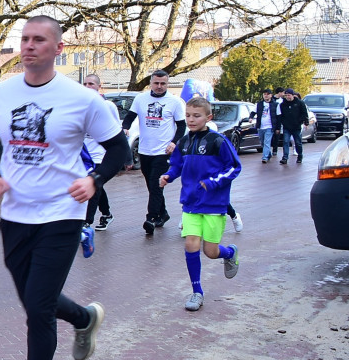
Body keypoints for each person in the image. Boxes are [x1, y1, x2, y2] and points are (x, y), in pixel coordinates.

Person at [0, 16, 128, 360]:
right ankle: (83, 318)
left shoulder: (82, 99)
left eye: (39, 39)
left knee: (37, 308)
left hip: (62, 214)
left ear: (58, 48)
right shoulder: (0, 94)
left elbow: (119, 149)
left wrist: (94, 180)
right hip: (15, 217)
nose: (29, 46)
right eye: (24, 39)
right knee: (35, 300)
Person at [159, 97, 241, 312]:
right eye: (188, 115)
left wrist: (214, 182)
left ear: (208, 117)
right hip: (191, 204)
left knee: (210, 252)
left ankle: (230, 253)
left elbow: (234, 167)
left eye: (196, 116)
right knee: (190, 245)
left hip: (214, 205)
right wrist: (168, 176)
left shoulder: (218, 141)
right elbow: (176, 165)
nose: (191, 119)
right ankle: (197, 292)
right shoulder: (184, 142)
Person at [122, 70, 186, 235]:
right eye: (156, 83)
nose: (159, 86)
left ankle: (151, 218)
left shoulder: (174, 102)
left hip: (163, 151)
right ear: (151, 82)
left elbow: (181, 126)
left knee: (156, 185)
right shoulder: (141, 99)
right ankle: (163, 214)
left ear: (167, 84)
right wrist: (125, 127)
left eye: (163, 83)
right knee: (152, 186)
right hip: (144, 150)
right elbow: (129, 117)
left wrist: (174, 143)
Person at [81, 74, 118, 231]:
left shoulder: (108, 106)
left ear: (99, 86)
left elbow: (116, 131)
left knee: (94, 186)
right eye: (85, 83)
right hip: (85, 155)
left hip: (100, 155)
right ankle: (107, 214)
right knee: (97, 185)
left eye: (91, 83)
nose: (88, 86)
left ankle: (87, 221)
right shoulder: (80, 105)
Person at [279, 89, 309, 165]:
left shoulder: (299, 103)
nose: (287, 97)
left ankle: (300, 156)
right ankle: (285, 158)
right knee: (286, 141)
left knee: (298, 142)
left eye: (289, 95)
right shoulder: (283, 105)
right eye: (286, 95)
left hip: (296, 126)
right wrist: (283, 122)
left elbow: (304, 113)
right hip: (287, 126)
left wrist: (304, 121)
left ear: (292, 95)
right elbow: (281, 115)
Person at [255, 88, 280, 164]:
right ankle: (268, 154)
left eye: (267, 94)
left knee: (267, 142)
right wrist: (250, 117)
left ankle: (264, 157)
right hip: (261, 126)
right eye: (264, 94)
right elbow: (253, 112)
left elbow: (279, 117)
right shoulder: (259, 104)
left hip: (270, 127)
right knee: (262, 142)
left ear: (271, 95)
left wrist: (277, 128)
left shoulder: (275, 105)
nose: (266, 96)